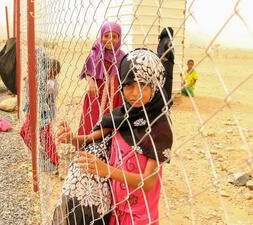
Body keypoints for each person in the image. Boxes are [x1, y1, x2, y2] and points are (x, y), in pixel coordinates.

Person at [57, 49, 173, 225]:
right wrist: (72, 138)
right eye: (129, 85)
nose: (135, 93)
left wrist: (107, 170)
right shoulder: (122, 115)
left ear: (156, 85)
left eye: (143, 85)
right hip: (114, 208)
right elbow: (91, 138)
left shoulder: (160, 128)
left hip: (140, 216)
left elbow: (149, 182)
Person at [78, 21, 125, 136]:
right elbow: (87, 71)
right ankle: (87, 143)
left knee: (112, 120)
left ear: (119, 38)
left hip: (115, 95)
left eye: (114, 37)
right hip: (97, 93)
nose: (110, 39)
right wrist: (91, 83)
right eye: (106, 36)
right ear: (101, 36)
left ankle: (109, 146)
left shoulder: (122, 56)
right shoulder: (95, 53)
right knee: (92, 118)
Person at [20, 49, 61, 171]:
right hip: (32, 112)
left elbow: (41, 96)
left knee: (45, 137)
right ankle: (42, 157)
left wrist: (32, 81)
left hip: (43, 114)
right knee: (25, 133)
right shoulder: (38, 78)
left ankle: (54, 161)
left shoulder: (50, 83)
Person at [157, 27, 174, 104]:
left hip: (160, 64)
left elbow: (159, 54)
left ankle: (161, 100)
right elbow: (167, 56)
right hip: (168, 65)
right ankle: (167, 100)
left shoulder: (161, 41)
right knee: (168, 83)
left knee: (161, 82)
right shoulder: (169, 41)